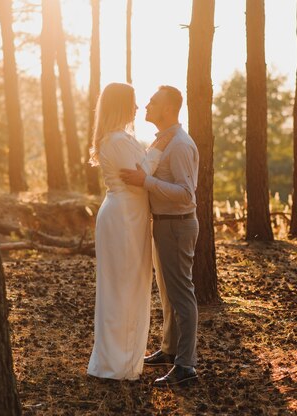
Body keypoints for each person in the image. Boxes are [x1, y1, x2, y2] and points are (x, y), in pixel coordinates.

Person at [86, 82, 173, 380]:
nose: (137, 108)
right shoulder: (116, 140)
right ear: (120, 105)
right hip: (123, 217)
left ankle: (121, 362)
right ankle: (116, 365)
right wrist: (159, 148)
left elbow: (141, 169)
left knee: (131, 286)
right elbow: (140, 175)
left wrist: (152, 153)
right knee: (122, 289)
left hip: (131, 216)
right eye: (133, 102)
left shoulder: (121, 138)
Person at [120, 85, 200, 387]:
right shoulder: (164, 140)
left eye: (152, 102)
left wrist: (146, 181)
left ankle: (186, 366)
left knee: (181, 294)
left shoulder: (179, 144)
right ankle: (169, 351)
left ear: (167, 109)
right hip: (164, 224)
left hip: (177, 225)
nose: (146, 106)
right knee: (168, 294)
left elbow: (186, 195)